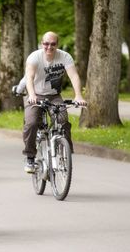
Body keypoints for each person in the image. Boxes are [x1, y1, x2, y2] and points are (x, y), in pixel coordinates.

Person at [23, 31, 87, 173]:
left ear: (57, 44)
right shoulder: (34, 57)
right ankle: (30, 157)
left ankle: (65, 152)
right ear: (42, 44)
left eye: (53, 44)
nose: (49, 47)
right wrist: (32, 95)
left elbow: (74, 76)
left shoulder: (64, 57)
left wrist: (78, 95)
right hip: (36, 95)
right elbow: (29, 77)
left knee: (63, 120)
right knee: (31, 122)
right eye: (46, 44)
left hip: (54, 96)